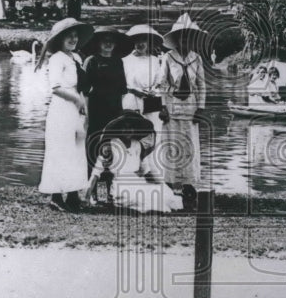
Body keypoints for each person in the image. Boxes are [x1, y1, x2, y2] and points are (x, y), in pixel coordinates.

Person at [35, 18, 95, 212]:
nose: (73, 40)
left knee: (76, 151)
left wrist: (84, 107)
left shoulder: (76, 58)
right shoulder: (57, 59)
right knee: (61, 151)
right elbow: (56, 87)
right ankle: (56, 196)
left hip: (77, 110)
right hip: (62, 108)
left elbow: (83, 86)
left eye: (75, 36)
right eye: (69, 36)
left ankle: (72, 194)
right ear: (60, 39)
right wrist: (77, 100)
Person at [85, 112, 185, 213]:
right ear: (119, 129)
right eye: (125, 127)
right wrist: (87, 196)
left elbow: (146, 172)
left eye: (131, 127)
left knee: (165, 194)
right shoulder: (110, 146)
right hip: (121, 186)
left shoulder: (138, 145)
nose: (128, 130)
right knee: (143, 198)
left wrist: (162, 185)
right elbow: (96, 173)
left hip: (138, 182)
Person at [158, 14, 207, 197]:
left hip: (191, 107)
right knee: (172, 144)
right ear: (176, 39)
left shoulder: (196, 58)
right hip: (172, 106)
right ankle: (171, 183)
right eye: (182, 37)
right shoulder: (168, 57)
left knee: (190, 144)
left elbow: (201, 85)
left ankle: (188, 184)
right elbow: (161, 83)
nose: (185, 40)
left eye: (188, 37)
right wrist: (163, 104)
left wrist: (201, 108)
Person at [82, 26, 131, 174]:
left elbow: (122, 90)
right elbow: (84, 91)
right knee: (93, 145)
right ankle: (91, 183)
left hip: (114, 109)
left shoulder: (118, 62)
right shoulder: (91, 61)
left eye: (111, 41)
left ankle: (109, 183)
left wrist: (120, 114)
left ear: (115, 44)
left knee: (112, 146)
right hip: (95, 109)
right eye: (104, 41)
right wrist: (86, 116)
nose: (108, 44)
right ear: (98, 43)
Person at [121, 24, 165, 177]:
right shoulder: (125, 60)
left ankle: (152, 171)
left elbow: (160, 80)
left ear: (148, 42)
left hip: (151, 101)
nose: (140, 44)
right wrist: (135, 91)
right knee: (133, 134)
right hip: (132, 100)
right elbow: (122, 83)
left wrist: (154, 88)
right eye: (137, 40)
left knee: (152, 134)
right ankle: (133, 169)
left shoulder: (154, 60)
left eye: (144, 40)